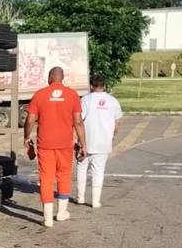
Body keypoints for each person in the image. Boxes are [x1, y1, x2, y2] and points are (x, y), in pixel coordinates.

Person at [23, 67, 88, 227]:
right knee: (64, 176)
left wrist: (26, 137)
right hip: (65, 144)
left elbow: (30, 120)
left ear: (50, 77)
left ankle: (47, 218)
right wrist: (83, 144)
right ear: (62, 78)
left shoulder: (40, 94)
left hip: (45, 144)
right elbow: (78, 122)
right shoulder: (72, 95)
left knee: (46, 178)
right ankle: (61, 213)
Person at [76, 74, 123, 208]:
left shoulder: (85, 99)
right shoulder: (113, 101)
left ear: (91, 86)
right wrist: (113, 134)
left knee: (82, 167)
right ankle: (96, 201)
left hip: (86, 139)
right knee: (98, 170)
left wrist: (77, 139)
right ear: (104, 86)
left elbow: (79, 119)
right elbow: (118, 121)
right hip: (104, 141)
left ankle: (80, 197)